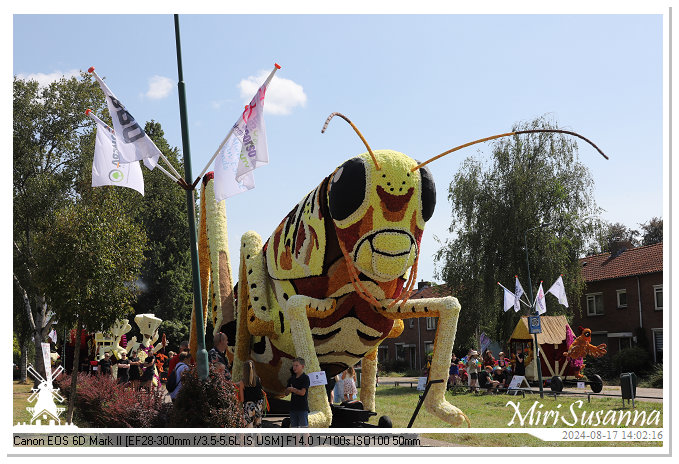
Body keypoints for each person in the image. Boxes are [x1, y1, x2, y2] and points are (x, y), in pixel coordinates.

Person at [237, 360, 265, 428]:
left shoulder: (242, 382)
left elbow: (242, 399)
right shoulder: (258, 379)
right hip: (259, 405)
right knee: (258, 426)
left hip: (249, 406)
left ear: (244, 370)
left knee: (249, 427)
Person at [286, 357, 310, 428]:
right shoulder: (291, 378)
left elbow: (303, 393)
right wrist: (288, 389)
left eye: (296, 365)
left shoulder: (305, 378)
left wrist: (293, 390)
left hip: (302, 408)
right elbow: (286, 393)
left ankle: (306, 440)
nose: (294, 367)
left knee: (304, 429)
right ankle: (297, 440)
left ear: (302, 366)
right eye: (293, 365)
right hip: (293, 408)